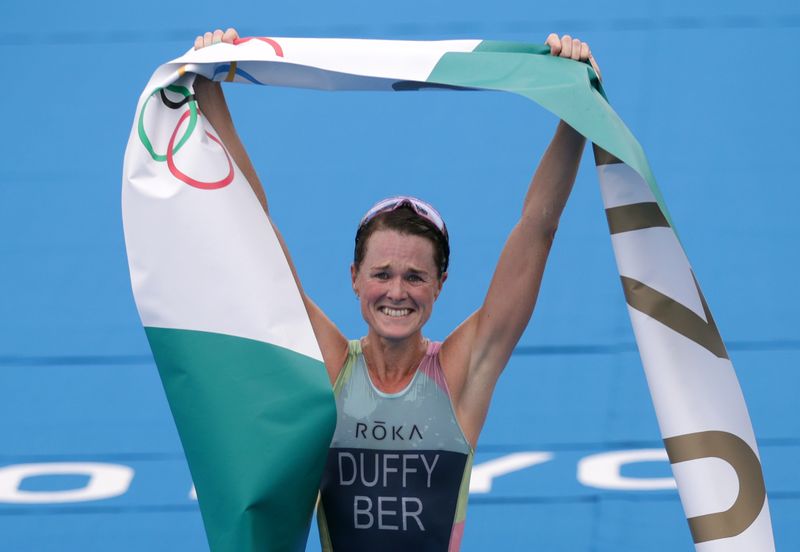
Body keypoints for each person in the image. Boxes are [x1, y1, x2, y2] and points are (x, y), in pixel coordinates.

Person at [194, 28, 600, 552]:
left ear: (439, 285)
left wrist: (575, 107)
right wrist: (210, 85)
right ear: (355, 278)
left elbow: (537, 227)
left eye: (415, 277)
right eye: (382, 274)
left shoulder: (461, 375)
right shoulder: (330, 369)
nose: (397, 292)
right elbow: (253, 229)